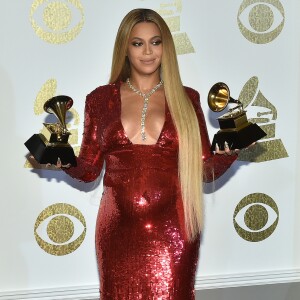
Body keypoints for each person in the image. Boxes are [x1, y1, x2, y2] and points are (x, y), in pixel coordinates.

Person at [60, 8, 238, 300]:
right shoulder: (100, 99)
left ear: (166, 47)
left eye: (155, 42)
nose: (147, 52)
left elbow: (204, 171)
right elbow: (89, 170)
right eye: (137, 43)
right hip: (116, 233)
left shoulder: (187, 98)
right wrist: (61, 158)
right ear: (125, 48)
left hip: (174, 234)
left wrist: (233, 149)